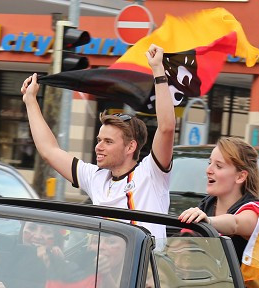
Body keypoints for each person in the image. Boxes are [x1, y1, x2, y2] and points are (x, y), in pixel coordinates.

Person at [21, 43, 175, 246]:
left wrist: (158, 71)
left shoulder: (151, 174)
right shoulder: (96, 178)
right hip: (106, 274)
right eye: (98, 140)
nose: (98, 147)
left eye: (108, 142)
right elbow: (50, 151)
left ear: (130, 147)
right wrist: (30, 100)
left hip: (147, 274)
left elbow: (166, 128)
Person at [176, 137, 259, 288]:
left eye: (219, 166)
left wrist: (208, 221)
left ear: (240, 176)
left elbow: (235, 224)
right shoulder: (206, 204)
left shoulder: (255, 210)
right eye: (210, 163)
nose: (209, 170)